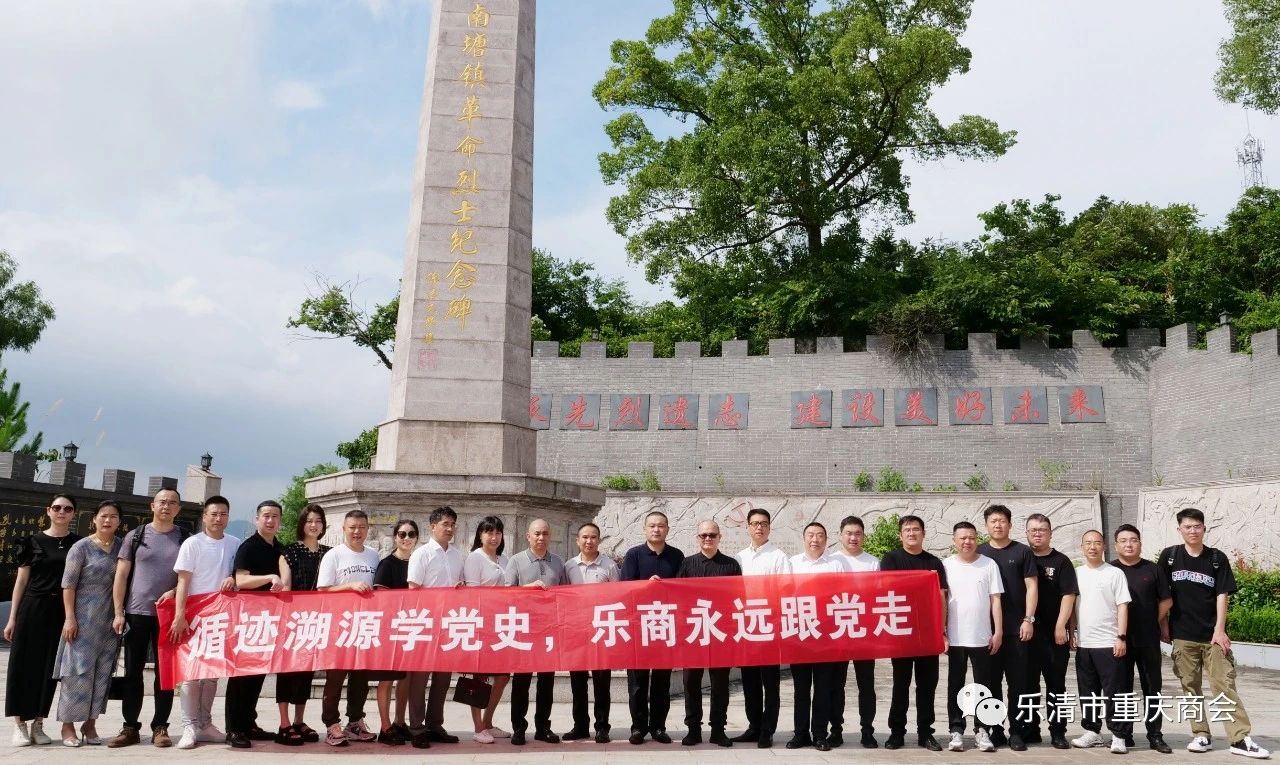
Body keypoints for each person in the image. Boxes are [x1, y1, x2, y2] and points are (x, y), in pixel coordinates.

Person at [1158, 507, 1269, 759]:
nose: (1193, 530)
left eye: (1197, 526)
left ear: (1204, 528)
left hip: (1212, 636)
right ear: (1179, 529)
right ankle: (1200, 735)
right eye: (1188, 526)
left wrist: (1219, 630)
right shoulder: (1170, 556)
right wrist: (1163, 624)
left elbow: (1222, 594)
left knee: (1224, 685)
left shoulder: (1216, 558)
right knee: (1190, 688)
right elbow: (1162, 594)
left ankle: (1239, 738)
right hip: (1182, 636)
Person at [109, 487, 189, 748]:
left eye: (172, 502)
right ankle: (130, 727)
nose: (166, 506)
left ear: (178, 509)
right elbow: (121, 575)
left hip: (168, 616)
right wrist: (118, 612)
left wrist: (174, 592)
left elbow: (189, 577)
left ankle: (160, 726)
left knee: (165, 673)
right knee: (132, 672)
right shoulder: (136, 535)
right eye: (162, 501)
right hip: (136, 613)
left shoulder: (184, 538)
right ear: (152, 506)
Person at [5, 493, 80, 747]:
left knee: (50, 668)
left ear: (73, 513)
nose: (61, 512)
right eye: (57, 507)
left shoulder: (78, 544)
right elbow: (21, 581)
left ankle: (38, 723)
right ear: (48, 511)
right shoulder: (32, 541)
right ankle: (20, 725)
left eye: (67, 509)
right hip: (33, 608)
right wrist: (12, 618)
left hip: (61, 612)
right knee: (23, 665)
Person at [168, 496, 239, 749]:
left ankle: (205, 724)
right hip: (194, 616)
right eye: (214, 514)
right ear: (205, 516)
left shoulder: (235, 543)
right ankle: (189, 726)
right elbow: (183, 581)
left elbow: (240, 574)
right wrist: (180, 615)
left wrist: (233, 578)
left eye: (223, 514)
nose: (218, 519)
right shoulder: (192, 543)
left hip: (221, 617)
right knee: (191, 673)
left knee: (212, 674)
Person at [878, 514, 947, 752]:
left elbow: (941, 597)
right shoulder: (891, 559)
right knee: (901, 684)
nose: (911, 533)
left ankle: (925, 733)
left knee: (927, 686)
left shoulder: (934, 562)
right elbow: (888, 589)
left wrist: (941, 630)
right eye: (907, 530)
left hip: (927, 633)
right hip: (902, 632)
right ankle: (897, 733)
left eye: (916, 529)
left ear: (923, 533)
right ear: (900, 535)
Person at [224, 500, 290, 748]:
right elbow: (241, 580)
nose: (270, 520)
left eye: (275, 516)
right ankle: (234, 729)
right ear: (257, 519)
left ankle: (248, 723)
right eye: (266, 516)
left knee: (258, 674)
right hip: (248, 619)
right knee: (241, 675)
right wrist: (269, 577)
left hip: (269, 621)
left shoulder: (279, 549)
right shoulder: (249, 546)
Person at [52, 500, 118, 747]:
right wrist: (69, 618)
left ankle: (90, 724)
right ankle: (67, 725)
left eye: (113, 516)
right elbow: (68, 585)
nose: (107, 520)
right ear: (94, 519)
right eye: (103, 516)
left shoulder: (121, 547)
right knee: (76, 672)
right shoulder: (80, 547)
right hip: (82, 619)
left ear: (119, 522)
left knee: (102, 673)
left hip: (109, 622)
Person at [317, 509, 381, 747]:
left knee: (360, 679)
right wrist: (350, 586)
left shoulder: (373, 555)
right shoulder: (333, 555)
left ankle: (355, 722)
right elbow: (322, 590)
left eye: (361, 527)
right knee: (335, 678)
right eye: (352, 527)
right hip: (339, 626)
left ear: (368, 529)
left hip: (365, 626)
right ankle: (331, 724)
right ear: (344, 529)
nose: (357, 532)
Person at [977, 504, 1038, 751]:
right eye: (993, 521)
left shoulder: (1022, 552)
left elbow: (1032, 587)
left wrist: (1028, 619)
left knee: (1018, 683)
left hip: (1016, 629)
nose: (998, 525)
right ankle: (996, 730)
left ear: (1010, 524)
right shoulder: (979, 553)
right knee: (990, 684)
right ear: (986, 525)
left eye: (1002, 521)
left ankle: (1017, 732)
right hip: (986, 631)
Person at [621, 511, 684, 745]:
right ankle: (638, 728)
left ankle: (658, 727)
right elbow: (624, 588)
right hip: (638, 627)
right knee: (637, 683)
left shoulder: (677, 556)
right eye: (652, 526)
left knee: (661, 682)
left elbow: (683, 589)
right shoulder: (633, 555)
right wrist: (646, 587)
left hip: (665, 627)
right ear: (645, 529)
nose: (656, 530)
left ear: (667, 529)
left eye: (660, 526)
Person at [676, 520, 741, 748]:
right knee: (691, 682)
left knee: (720, 684)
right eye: (703, 535)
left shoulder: (731, 565)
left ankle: (718, 730)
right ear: (698, 538)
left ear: (719, 537)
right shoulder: (687, 564)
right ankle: (693, 729)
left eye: (712, 535)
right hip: (694, 632)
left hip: (721, 633)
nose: (708, 539)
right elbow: (677, 597)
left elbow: (738, 598)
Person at [504, 518, 568, 745]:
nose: (541, 538)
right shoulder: (516, 560)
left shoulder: (558, 562)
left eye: (545, 534)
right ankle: (519, 728)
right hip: (523, 630)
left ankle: (543, 727)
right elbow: (506, 594)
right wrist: (527, 588)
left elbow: (566, 594)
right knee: (521, 682)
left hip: (549, 630)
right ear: (528, 536)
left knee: (546, 682)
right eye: (537, 534)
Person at [405, 506, 464, 748]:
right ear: (433, 526)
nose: (449, 529)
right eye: (445, 524)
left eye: (452, 524)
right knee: (419, 679)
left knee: (443, 678)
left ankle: (434, 724)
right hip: (425, 623)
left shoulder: (457, 555)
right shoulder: (422, 554)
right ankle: (416, 727)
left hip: (449, 623)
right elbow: (413, 589)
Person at [1111, 523, 1173, 754]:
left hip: (1148, 639)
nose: (1129, 544)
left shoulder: (1153, 569)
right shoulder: (1110, 570)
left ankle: (1155, 735)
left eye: (1133, 540)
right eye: (1124, 540)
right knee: (1122, 688)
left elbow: (1166, 600)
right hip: (1119, 640)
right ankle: (1124, 734)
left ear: (1140, 543)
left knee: (1152, 687)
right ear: (1116, 545)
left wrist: (1152, 620)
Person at [787, 522, 849, 751]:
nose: (815, 539)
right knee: (801, 689)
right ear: (804, 538)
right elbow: (784, 595)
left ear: (826, 539)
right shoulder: (792, 563)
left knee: (823, 688)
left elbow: (843, 595)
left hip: (827, 636)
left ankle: (820, 735)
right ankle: (800, 734)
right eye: (811, 535)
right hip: (800, 634)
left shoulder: (836, 564)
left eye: (820, 535)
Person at [942, 521, 1003, 753]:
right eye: (962, 538)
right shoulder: (946, 565)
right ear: (954, 540)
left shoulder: (989, 564)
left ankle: (983, 730)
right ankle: (956, 729)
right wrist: (942, 632)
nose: (967, 542)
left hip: (982, 636)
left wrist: (998, 631)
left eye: (971, 537)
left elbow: (995, 600)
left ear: (977, 539)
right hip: (956, 637)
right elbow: (940, 600)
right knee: (955, 684)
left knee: (983, 685)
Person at [1069, 529, 1132, 754]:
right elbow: (1072, 606)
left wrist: (1121, 637)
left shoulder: (1115, 573)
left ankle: (1119, 735)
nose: (1092, 547)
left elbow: (1123, 606)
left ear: (1104, 546)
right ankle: (1092, 731)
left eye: (1097, 543)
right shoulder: (1076, 574)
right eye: (1088, 543)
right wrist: (1072, 631)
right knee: (1088, 692)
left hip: (1109, 642)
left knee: (1115, 692)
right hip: (1085, 644)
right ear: (1082, 547)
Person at [732, 508, 789, 748]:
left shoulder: (778, 556)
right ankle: (754, 726)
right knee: (750, 682)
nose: (759, 527)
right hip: (746, 628)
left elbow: (786, 591)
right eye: (755, 523)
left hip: (769, 628)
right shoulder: (739, 557)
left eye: (763, 523)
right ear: (747, 527)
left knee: (770, 683)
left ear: (769, 527)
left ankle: (767, 730)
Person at [276, 504, 330, 743]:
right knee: (287, 671)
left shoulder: (329, 553)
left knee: (306, 673)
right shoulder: (290, 552)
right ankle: (284, 723)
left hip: (318, 621)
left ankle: (299, 720)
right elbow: (286, 585)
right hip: (293, 620)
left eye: (318, 521)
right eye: (309, 521)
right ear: (302, 524)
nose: (314, 525)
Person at [1025, 513, 1078, 749]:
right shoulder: (1023, 557)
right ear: (1027, 533)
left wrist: (1060, 625)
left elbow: (1069, 594)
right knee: (1028, 685)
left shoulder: (1061, 561)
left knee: (1057, 686)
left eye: (1042, 530)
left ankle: (1058, 731)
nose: (1037, 534)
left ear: (1050, 533)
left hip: (1054, 636)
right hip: (1027, 635)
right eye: (1033, 530)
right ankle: (1030, 729)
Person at [563, 522, 619, 744]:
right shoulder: (569, 566)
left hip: (601, 630)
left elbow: (619, 595)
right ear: (577, 540)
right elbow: (562, 596)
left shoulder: (609, 566)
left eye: (593, 537)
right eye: (585, 537)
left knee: (601, 682)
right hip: (576, 631)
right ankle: (580, 726)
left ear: (599, 540)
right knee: (578, 683)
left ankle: (602, 727)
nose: (589, 541)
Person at [461, 515, 511, 744]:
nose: (494, 537)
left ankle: (488, 721)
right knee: (479, 677)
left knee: (502, 676)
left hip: (501, 625)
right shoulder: (475, 558)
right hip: (481, 624)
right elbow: (473, 593)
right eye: (489, 532)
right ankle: (478, 726)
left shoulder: (505, 559)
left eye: (498, 532)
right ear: (480, 535)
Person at [835, 514, 880, 748]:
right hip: (838, 631)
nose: (853, 537)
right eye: (849, 533)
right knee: (836, 685)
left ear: (863, 536)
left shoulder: (872, 562)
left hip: (864, 631)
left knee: (866, 685)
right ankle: (836, 730)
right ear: (840, 535)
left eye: (858, 533)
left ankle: (867, 731)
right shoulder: (832, 560)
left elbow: (877, 595)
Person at [372, 520, 418, 745]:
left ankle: (400, 722)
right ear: (395, 537)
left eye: (411, 534)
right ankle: (385, 726)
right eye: (402, 534)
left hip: (411, 628)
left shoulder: (418, 563)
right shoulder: (387, 564)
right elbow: (381, 598)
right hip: (390, 629)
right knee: (387, 679)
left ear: (417, 538)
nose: (406, 538)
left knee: (405, 678)